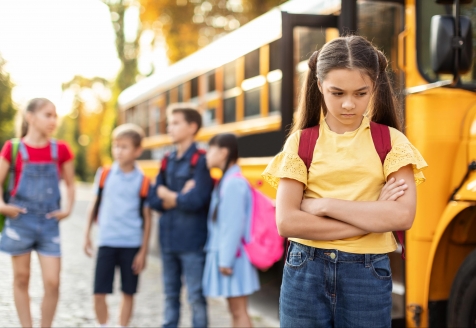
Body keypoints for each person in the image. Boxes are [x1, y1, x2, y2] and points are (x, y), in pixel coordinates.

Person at [262, 35, 428, 327]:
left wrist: (324, 205)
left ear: (374, 87)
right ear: (320, 87)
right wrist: (370, 217)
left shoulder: (390, 142)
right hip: (304, 270)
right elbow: (287, 223)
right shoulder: (301, 143)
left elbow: (402, 215)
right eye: (337, 93)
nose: (349, 104)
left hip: (367, 273)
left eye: (360, 93)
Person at [0, 98, 75, 328]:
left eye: (55, 115)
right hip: (19, 221)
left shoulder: (60, 150)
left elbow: (71, 185)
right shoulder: (13, 148)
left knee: (52, 282)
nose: (53, 120)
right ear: (30, 117)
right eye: (47, 115)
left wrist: (68, 210)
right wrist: (3, 207)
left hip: (49, 223)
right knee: (21, 279)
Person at [149, 105, 214, 328]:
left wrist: (168, 195)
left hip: (192, 242)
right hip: (167, 240)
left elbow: (197, 200)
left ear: (192, 127)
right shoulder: (167, 159)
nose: (170, 127)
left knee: (195, 297)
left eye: (176, 123)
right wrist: (178, 196)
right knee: (169, 296)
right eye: (169, 123)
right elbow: (153, 198)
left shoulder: (201, 161)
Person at [83, 123, 152, 328]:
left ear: (137, 150)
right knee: (98, 292)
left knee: (128, 292)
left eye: (124, 146)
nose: (118, 151)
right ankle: (103, 325)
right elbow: (94, 204)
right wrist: (87, 234)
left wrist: (143, 251)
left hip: (131, 243)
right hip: (107, 241)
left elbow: (147, 219)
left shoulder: (144, 180)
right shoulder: (104, 174)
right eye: (116, 146)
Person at [202, 133, 260, 328]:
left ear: (223, 152)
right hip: (231, 255)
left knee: (238, 311)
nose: (206, 155)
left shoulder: (233, 182)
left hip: (233, 257)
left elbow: (233, 224)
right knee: (235, 310)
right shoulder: (228, 179)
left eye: (210, 150)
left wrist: (225, 260)